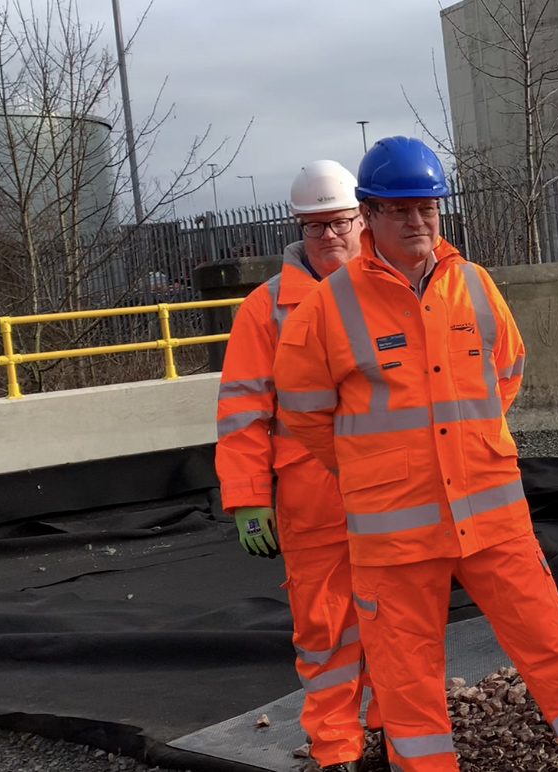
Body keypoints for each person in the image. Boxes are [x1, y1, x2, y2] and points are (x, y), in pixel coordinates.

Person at [272, 136, 558, 772]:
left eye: (427, 207)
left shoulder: (473, 286)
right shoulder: (328, 307)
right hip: (395, 539)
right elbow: (304, 415)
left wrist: (465, 449)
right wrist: (375, 468)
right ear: (368, 213)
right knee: (408, 690)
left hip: (493, 520)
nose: (417, 221)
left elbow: (507, 373)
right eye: (399, 209)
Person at [215, 160, 382, 772]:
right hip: (312, 500)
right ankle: (337, 752)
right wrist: (248, 496)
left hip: (390, 491)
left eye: (340, 223)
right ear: (298, 231)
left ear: (362, 221)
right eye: (315, 227)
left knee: (394, 625)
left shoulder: (389, 287)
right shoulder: (266, 309)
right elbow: (242, 411)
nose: (329, 237)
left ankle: (396, 737)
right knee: (328, 634)